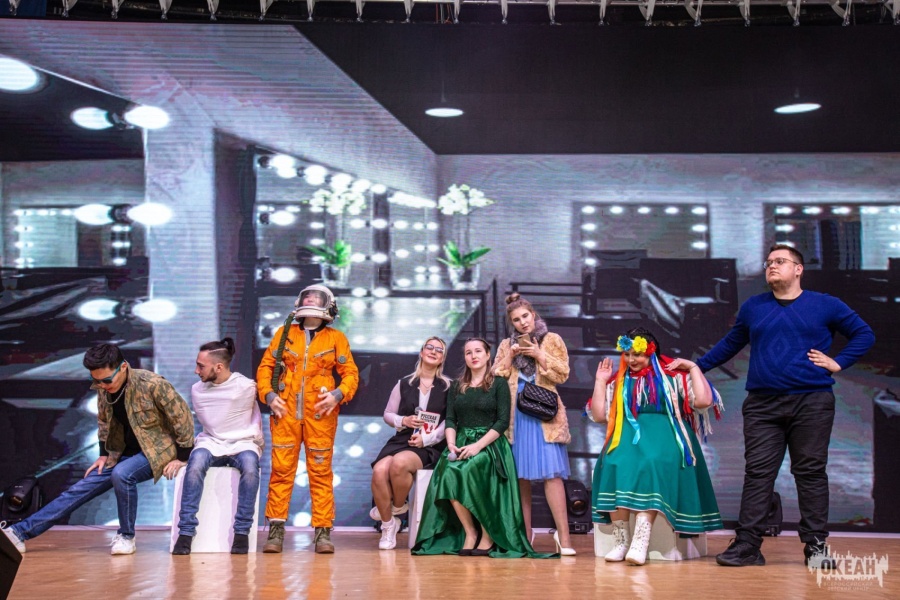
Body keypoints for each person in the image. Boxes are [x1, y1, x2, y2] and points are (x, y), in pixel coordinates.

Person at [697, 244, 875, 569]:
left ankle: (816, 547)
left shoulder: (825, 304)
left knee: (810, 473)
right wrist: (695, 367)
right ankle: (748, 545)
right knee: (758, 474)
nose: (772, 266)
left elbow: (864, 334)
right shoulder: (754, 307)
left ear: (798, 269)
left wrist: (838, 362)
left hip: (812, 402)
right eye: (768, 263)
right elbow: (730, 344)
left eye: (779, 261)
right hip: (762, 405)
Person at [1, 344, 194, 555]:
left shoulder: (153, 384)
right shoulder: (103, 388)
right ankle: (19, 533)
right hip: (122, 452)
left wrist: (183, 456)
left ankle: (126, 536)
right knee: (80, 488)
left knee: (122, 474)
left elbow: (182, 418)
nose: (102, 385)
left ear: (123, 367)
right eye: (97, 381)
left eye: (107, 380)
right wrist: (104, 454)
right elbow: (104, 421)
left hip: (158, 450)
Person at [589, 328, 724, 566]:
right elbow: (600, 416)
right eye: (627, 354)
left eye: (638, 355)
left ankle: (641, 540)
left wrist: (693, 367)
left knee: (651, 461)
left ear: (651, 352)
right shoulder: (619, 380)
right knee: (612, 461)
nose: (632, 360)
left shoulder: (672, 375)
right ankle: (622, 540)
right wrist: (600, 381)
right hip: (627, 437)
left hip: (666, 435)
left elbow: (704, 401)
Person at [412, 338, 555, 559]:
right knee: (448, 472)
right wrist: (451, 443)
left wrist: (477, 447)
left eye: (478, 351)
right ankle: (470, 532)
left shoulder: (498, 383)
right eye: (468, 352)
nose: (473, 356)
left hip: (490, 445)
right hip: (461, 441)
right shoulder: (457, 386)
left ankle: (488, 534)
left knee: (473, 468)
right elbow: (450, 419)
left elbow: (502, 422)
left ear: (488, 355)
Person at [256, 284, 359, 554]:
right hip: (285, 411)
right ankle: (276, 531)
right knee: (281, 471)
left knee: (321, 472)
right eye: (308, 297)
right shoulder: (284, 334)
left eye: (316, 298)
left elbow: (350, 373)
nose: (311, 301)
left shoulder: (336, 338)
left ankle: (323, 532)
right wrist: (269, 395)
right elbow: (266, 367)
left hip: (320, 413)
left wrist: (338, 394)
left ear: (328, 305)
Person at [493, 293, 574, 555]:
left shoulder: (551, 339)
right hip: (516, 417)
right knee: (520, 479)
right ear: (512, 323)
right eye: (517, 320)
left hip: (544, 415)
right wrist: (510, 356)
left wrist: (539, 354)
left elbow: (562, 374)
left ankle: (564, 537)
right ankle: (525, 536)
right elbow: (495, 377)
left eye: (525, 316)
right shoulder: (507, 344)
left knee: (552, 476)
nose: (523, 322)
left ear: (533, 314)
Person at [172, 338, 263, 555]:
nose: (196, 371)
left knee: (251, 468)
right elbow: (211, 423)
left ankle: (242, 532)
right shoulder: (197, 390)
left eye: (201, 366)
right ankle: (185, 533)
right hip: (211, 442)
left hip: (243, 442)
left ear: (219, 367)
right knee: (195, 463)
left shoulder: (246, 387)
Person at [370, 337, 452, 550]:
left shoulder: (449, 387)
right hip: (402, 439)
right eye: (429, 347)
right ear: (421, 352)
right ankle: (389, 525)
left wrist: (427, 438)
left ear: (442, 358)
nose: (433, 351)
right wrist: (403, 420)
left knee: (399, 463)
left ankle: (397, 507)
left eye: (439, 350)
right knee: (379, 470)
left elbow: (450, 421)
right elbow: (388, 414)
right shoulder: (404, 383)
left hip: (431, 445)